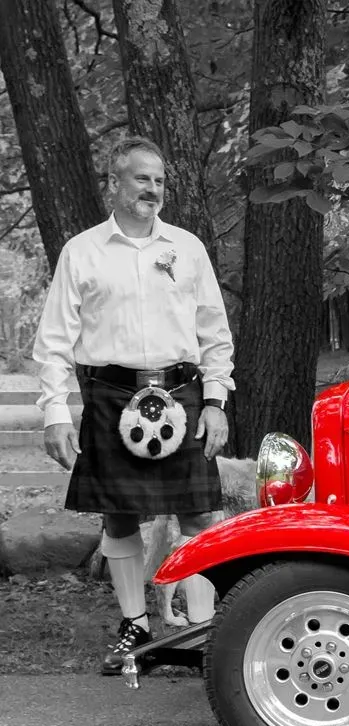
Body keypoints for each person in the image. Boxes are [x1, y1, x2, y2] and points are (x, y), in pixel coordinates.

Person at [32, 136, 234, 674]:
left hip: (183, 394)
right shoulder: (82, 251)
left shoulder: (187, 247)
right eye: (142, 178)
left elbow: (214, 332)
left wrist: (215, 400)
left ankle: (200, 634)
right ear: (114, 184)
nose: (153, 189)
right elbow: (54, 341)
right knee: (118, 516)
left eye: (159, 180)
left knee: (199, 514)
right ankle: (135, 628)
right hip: (110, 394)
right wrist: (56, 412)